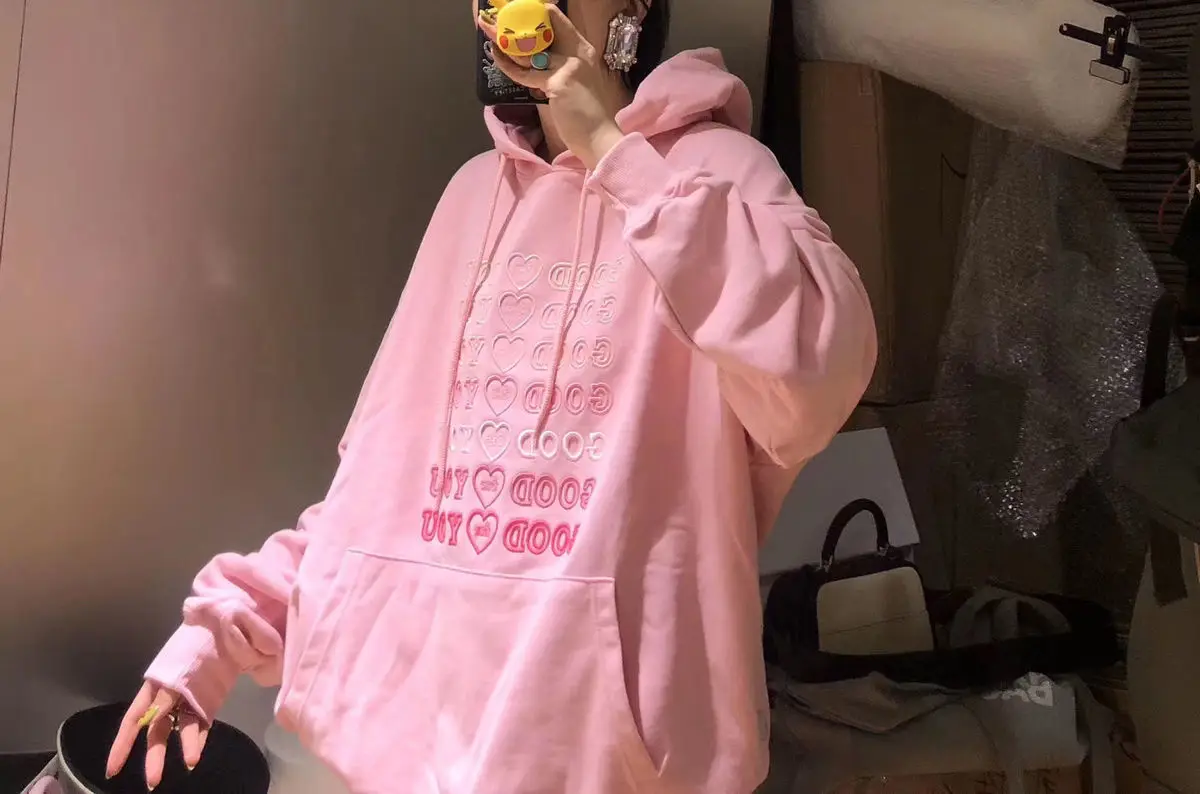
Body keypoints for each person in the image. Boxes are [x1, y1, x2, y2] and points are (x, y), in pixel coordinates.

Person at [106, 0, 876, 791]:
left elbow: (821, 371)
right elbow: (385, 492)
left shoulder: (720, 172)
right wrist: (226, 627)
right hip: (413, 758)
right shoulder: (474, 194)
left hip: (613, 768)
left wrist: (617, 155)